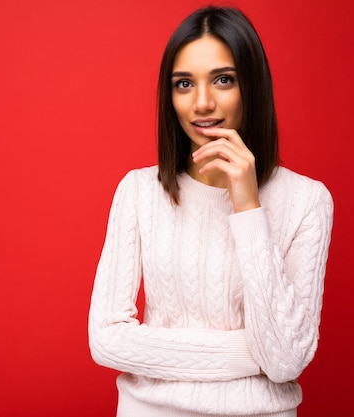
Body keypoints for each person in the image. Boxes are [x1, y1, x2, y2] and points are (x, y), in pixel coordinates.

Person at [88, 5, 334, 417]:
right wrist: (251, 353)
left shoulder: (308, 201)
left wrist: (248, 205)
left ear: (252, 86)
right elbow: (106, 339)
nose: (202, 103)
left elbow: (286, 361)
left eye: (223, 80)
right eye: (184, 84)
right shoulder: (138, 192)